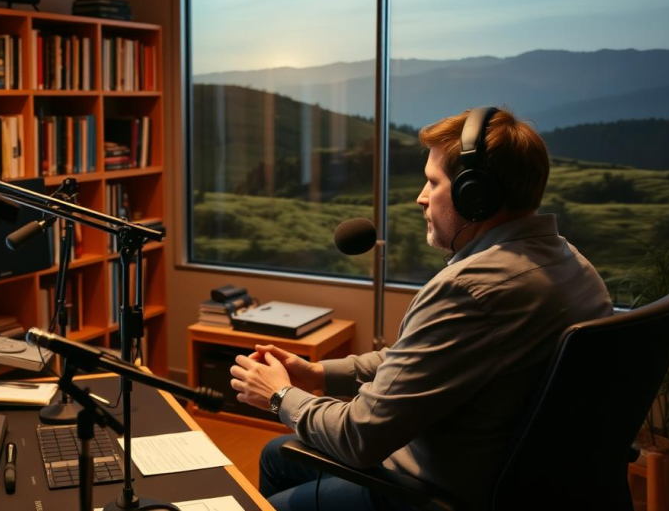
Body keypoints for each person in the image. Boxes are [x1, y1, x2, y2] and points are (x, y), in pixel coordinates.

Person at [231, 107, 613, 511]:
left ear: (475, 194)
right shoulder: (572, 263)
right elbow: (417, 358)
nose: (421, 197)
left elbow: (358, 438)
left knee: (276, 473)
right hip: (525, 479)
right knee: (277, 454)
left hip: (437, 491)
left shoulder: (468, 290)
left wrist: (279, 395)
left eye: (433, 182)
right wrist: (319, 373)